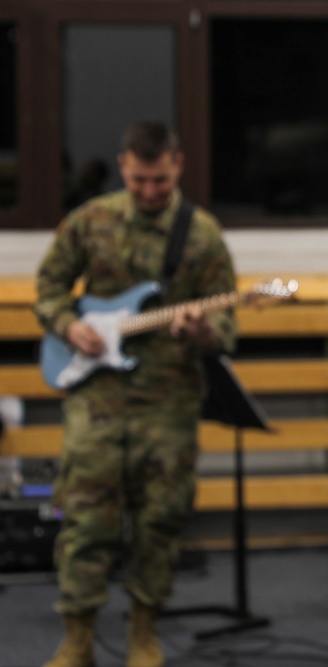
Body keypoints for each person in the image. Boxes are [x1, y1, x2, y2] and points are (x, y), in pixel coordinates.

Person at [35, 121, 237, 667]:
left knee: (161, 522)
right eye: (142, 179)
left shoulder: (202, 236)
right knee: (83, 521)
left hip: (168, 404)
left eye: (162, 181)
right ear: (124, 166)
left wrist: (201, 332)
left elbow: (228, 327)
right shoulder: (90, 221)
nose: (151, 191)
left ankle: (143, 631)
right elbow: (49, 286)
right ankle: (77, 635)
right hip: (95, 399)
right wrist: (66, 323)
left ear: (179, 167)